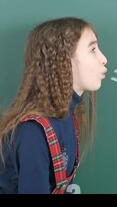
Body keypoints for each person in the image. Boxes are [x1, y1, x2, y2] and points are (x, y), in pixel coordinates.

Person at [0, 17, 107, 194]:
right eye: (93, 50)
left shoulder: (68, 117)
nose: (103, 59)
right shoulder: (32, 132)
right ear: (63, 59)